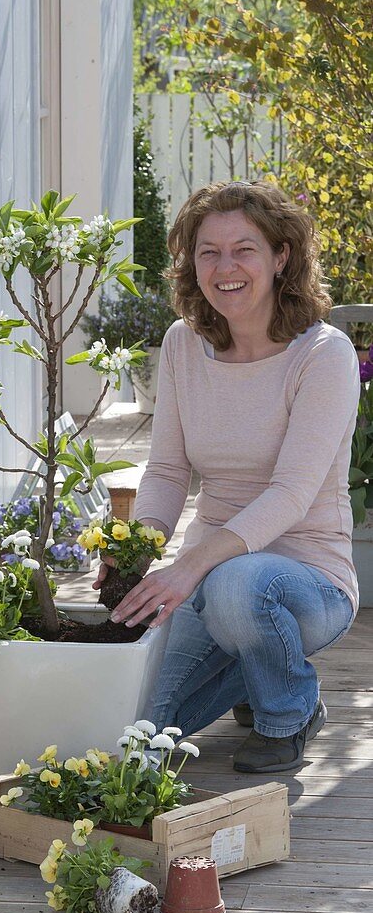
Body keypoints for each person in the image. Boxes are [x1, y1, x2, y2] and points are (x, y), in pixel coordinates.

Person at [95, 180, 359, 774]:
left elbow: (292, 493)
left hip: (310, 581)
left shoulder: (324, 354)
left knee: (241, 585)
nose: (225, 267)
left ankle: (289, 709)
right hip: (213, 582)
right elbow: (166, 470)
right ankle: (251, 672)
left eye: (244, 249)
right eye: (208, 251)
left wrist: (188, 568)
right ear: (191, 262)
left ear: (281, 257)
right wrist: (138, 549)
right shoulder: (183, 345)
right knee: (138, 735)